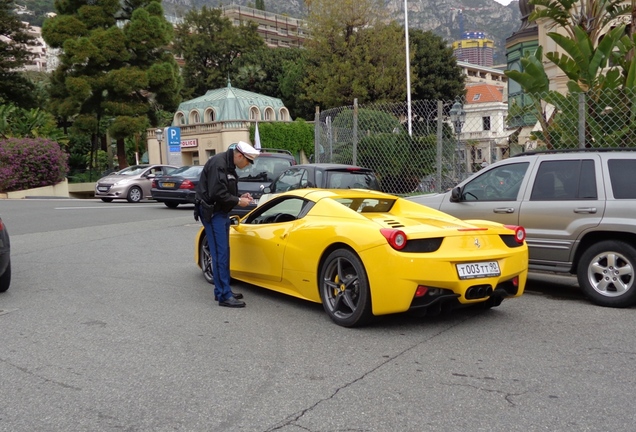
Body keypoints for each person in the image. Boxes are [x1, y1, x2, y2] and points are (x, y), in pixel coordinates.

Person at [194, 141, 260, 308]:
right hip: (213, 212)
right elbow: (217, 193)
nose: (248, 166)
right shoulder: (219, 164)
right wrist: (238, 200)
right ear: (239, 156)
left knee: (224, 252)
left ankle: (222, 290)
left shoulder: (228, 165)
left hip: (220, 212)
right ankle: (224, 295)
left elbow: (224, 189)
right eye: (248, 161)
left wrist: (240, 196)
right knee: (220, 253)